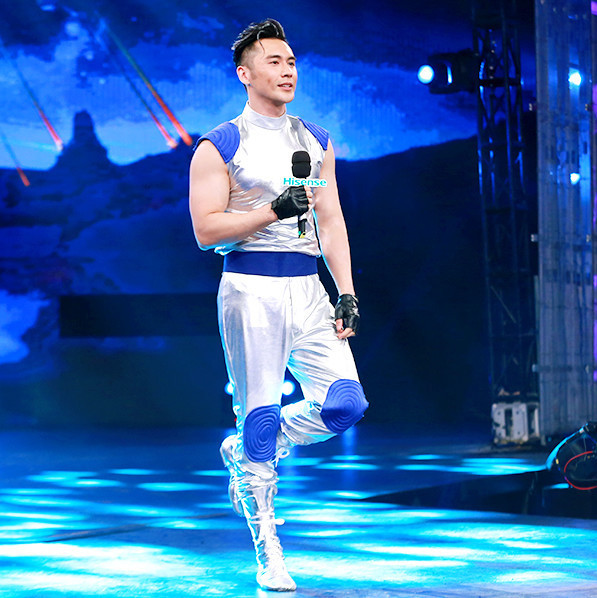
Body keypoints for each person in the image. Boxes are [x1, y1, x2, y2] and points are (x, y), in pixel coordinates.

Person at [189, 18, 368, 592]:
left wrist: (345, 291)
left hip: (309, 288)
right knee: (260, 415)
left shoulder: (316, 139)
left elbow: (331, 220)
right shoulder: (220, 144)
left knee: (346, 405)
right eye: (274, 61)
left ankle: (249, 448)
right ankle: (269, 551)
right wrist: (272, 210)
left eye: (291, 61)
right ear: (245, 74)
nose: (288, 70)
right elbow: (206, 231)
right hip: (251, 290)